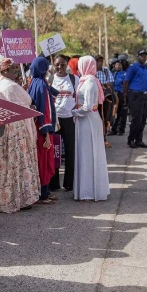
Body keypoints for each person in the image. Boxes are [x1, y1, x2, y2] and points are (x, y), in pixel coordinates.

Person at [0, 58, 41, 211]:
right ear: (4, 71)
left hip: (11, 127)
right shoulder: (10, 86)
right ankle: (21, 197)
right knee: (19, 162)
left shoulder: (4, 84)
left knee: (11, 163)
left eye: (16, 67)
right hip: (17, 128)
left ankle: (16, 196)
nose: (16, 70)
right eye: (13, 68)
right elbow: (27, 100)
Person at [72, 56, 110, 201]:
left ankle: (88, 191)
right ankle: (86, 190)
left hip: (87, 120)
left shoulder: (89, 83)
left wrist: (74, 112)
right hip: (86, 120)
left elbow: (87, 107)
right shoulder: (88, 80)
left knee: (87, 155)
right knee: (85, 153)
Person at [27, 56, 58, 205]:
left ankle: (41, 192)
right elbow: (44, 111)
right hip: (43, 131)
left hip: (35, 128)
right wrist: (46, 134)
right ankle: (42, 194)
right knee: (44, 162)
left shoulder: (34, 82)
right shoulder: (41, 85)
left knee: (39, 161)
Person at [50, 56, 78, 191]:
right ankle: (54, 183)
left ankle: (69, 183)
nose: (59, 67)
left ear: (67, 65)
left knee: (70, 151)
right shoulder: (50, 79)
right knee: (55, 152)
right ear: (53, 66)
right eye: (57, 65)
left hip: (69, 118)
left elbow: (79, 97)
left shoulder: (74, 79)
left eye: (62, 65)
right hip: (55, 119)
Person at [124, 50, 147, 148]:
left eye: (145, 56)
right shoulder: (133, 68)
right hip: (135, 95)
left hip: (144, 95)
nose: (143, 58)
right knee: (136, 119)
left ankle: (139, 140)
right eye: (141, 56)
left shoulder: (145, 68)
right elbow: (126, 82)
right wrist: (125, 95)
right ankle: (131, 140)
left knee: (143, 119)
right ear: (137, 56)